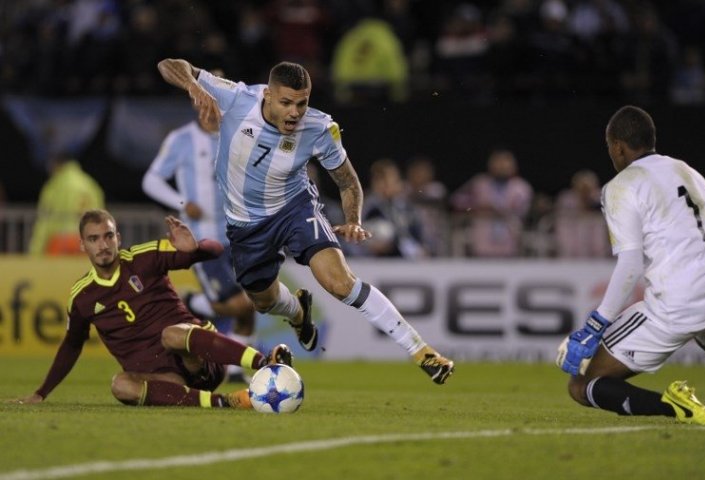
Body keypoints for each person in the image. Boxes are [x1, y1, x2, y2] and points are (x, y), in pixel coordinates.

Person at [157, 58, 454, 384]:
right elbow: (169, 64)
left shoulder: (319, 128)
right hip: (246, 225)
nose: (295, 112)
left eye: (302, 103)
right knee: (263, 301)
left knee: (340, 282)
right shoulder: (238, 98)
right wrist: (194, 87)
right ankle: (298, 312)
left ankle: (421, 350)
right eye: (286, 102)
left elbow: (348, 181)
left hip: (295, 208)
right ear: (268, 96)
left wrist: (353, 219)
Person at [557, 105, 705, 426]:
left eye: (609, 146)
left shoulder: (621, 186)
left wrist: (596, 325)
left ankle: (679, 408)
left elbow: (631, 264)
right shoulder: (687, 170)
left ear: (618, 146)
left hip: (675, 304)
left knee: (584, 384)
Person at [14, 210, 292, 408]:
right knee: (121, 385)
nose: (103, 245)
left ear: (118, 238)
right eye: (94, 239)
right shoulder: (83, 297)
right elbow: (71, 346)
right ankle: (223, 402)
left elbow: (216, 251)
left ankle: (264, 362)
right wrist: (41, 392)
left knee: (170, 334)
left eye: (108, 236)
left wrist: (194, 248)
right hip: (167, 380)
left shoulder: (143, 258)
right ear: (82, 245)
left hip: (200, 360)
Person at [142, 108, 257, 382]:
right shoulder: (181, 139)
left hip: (238, 236)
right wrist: (182, 202)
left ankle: (236, 370)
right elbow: (151, 180)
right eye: (205, 101)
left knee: (254, 300)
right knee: (240, 304)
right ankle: (193, 301)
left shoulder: (238, 137)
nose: (211, 109)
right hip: (204, 242)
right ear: (197, 104)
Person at [450, 149, 533, 257]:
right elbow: (456, 201)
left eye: (505, 163)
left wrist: (503, 210)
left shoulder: (521, 187)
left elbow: (524, 210)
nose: (502, 166)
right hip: (482, 238)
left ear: (513, 166)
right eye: (498, 163)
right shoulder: (479, 183)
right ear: (490, 165)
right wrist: (475, 208)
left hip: (510, 238)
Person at [28, 153, 105, 255]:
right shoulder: (90, 185)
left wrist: (35, 250)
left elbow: (45, 219)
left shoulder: (55, 185)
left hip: (60, 242)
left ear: (56, 165)